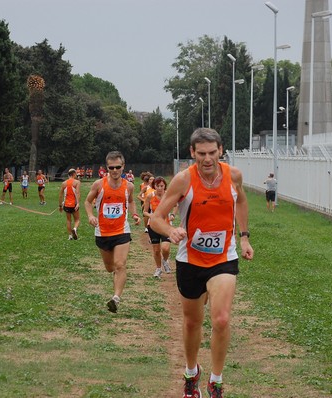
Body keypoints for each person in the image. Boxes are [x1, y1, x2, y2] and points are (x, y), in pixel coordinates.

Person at [149, 128, 254, 398]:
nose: (207, 159)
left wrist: (244, 237)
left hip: (223, 258)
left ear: (220, 150)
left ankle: (215, 381)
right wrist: (170, 231)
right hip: (190, 260)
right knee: (193, 322)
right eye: (201, 154)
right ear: (192, 153)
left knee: (220, 319)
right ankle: (191, 371)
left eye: (212, 153)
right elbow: (156, 218)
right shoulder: (183, 180)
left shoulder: (234, 176)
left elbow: (240, 200)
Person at [84, 151, 140, 313]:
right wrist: (90, 216)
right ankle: (115, 283)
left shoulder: (128, 186)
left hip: (122, 231)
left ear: (123, 167)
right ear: (107, 168)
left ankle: (116, 298)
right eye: (111, 168)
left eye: (118, 167)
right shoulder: (99, 185)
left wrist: (135, 214)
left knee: (120, 265)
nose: (115, 170)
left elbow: (130, 201)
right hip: (102, 232)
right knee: (110, 268)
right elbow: (88, 202)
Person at [143, 176, 175, 277]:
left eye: (162, 186)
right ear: (154, 186)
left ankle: (165, 260)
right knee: (156, 250)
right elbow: (144, 212)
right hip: (153, 225)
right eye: (158, 186)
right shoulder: (150, 196)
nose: (160, 188)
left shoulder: (169, 196)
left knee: (165, 248)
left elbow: (176, 205)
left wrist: (173, 214)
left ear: (165, 186)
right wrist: (151, 215)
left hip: (166, 226)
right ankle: (158, 268)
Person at [59, 168, 81, 240]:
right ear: (74, 174)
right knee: (77, 220)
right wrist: (78, 203)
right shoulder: (77, 182)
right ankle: (74, 229)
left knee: (68, 220)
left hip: (66, 205)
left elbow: (60, 195)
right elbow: (77, 193)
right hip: (74, 204)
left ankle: (70, 236)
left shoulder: (64, 183)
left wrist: (60, 205)